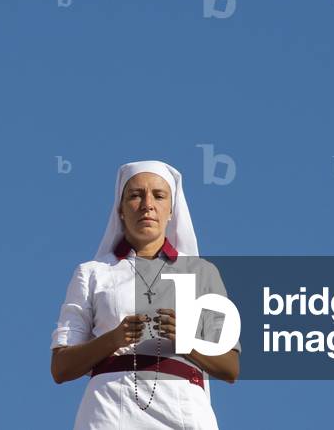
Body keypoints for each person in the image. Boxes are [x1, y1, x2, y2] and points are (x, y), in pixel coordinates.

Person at [50, 160, 240, 429]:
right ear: (121, 209)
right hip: (108, 412)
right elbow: (60, 367)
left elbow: (230, 368)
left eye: (158, 195)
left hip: (183, 412)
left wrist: (185, 340)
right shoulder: (92, 273)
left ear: (171, 210)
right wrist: (114, 339)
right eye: (136, 195)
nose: (147, 204)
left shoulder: (202, 273)